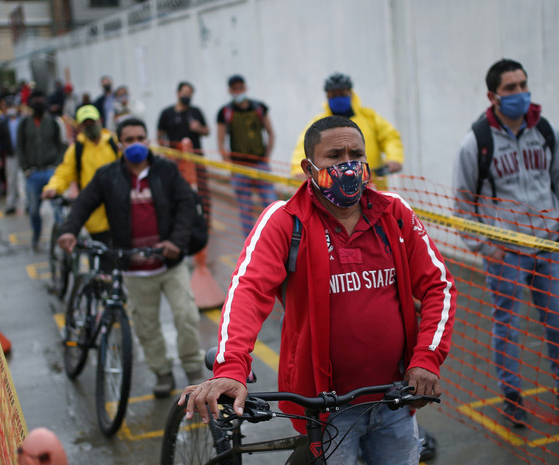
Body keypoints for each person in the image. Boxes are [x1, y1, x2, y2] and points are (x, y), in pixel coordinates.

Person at [181, 116, 457, 465]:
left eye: (355, 154)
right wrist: (232, 368)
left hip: (393, 399)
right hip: (325, 411)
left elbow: (439, 285)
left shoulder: (395, 213)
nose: (347, 165)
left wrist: (426, 360)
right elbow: (247, 292)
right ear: (308, 168)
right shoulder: (285, 220)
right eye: (335, 156)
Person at [452, 58, 559, 427]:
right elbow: (462, 207)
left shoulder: (546, 132)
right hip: (506, 254)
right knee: (508, 326)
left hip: (549, 248)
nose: (520, 94)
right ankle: (512, 395)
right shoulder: (476, 143)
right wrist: (486, 247)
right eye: (511, 88)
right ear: (492, 95)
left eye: (523, 85)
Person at [57, 118, 205, 398]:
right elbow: (84, 204)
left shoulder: (166, 171)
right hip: (134, 268)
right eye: (129, 139)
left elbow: (187, 204)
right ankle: (162, 372)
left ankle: (194, 369)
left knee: (186, 316)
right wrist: (69, 231)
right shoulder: (107, 175)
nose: (135, 144)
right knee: (146, 325)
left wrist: (176, 242)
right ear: (119, 143)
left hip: (169, 263)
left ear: (148, 140)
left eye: (140, 137)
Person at [290, 73, 403, 191]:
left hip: (372, 184)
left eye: (342, 93)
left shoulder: (369, 117)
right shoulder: (319, 123)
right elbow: (304, 146)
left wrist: (394, 158)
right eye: (333, 95)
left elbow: (390, 137)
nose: (338, 98)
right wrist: (298, 170)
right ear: (327, 96)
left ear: (350, 93)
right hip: (334, 186)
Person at [41, 104, 119, 244]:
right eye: (85, 124)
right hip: (94, 215)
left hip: (119, 208)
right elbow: (64, 172)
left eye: (92, 122)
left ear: (100, 120)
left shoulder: (114, 143)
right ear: (79, 126)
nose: (90, 126)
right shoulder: (77, 149)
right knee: (98, 254)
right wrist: (53, 187)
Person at [216, 74, 277, 237]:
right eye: (234, 89)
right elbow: (220, 142)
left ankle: (275, 238)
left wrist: (266, 157)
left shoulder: (259, 108)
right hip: (239, 168)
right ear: (229, 90)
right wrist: (231, 167)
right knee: (245, 209)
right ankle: (251, 246)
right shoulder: (225, 112)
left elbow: (271, 133)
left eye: (240, 88)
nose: (238, 91)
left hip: (260, 165)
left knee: (271, 205)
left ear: (245, 87)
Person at [17, 90, 66, 250]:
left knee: (58, 209)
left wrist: (57, 166)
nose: (38, 101)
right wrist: (25, 169)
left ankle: (62, 237)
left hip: (50, 171)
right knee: (34, 210)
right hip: (33, 174)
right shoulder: (24, 124)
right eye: (35, 99)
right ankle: (36, 236)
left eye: (41, 98)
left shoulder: (53, 122)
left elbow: (61, 146)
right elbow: (20, 148)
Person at [157, 81, 211, 209]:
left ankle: (204, 217)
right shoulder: (167, 113)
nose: (187, 96)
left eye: (189, 93)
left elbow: (207, 131)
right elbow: (160, 135)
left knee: (202, 190)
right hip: (176, 161)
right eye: (185, 92)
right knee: (177, 188)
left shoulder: (196, 112)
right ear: (178, 93)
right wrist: (167, 154)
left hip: (196, 160)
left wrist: (198, 128)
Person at [0, 97, 23, 215]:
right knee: (11, 179)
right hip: (10, 154)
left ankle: (28, 204)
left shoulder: (22, 121)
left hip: (23, 154)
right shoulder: (3, 123)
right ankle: (11, 203)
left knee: (24, 179)